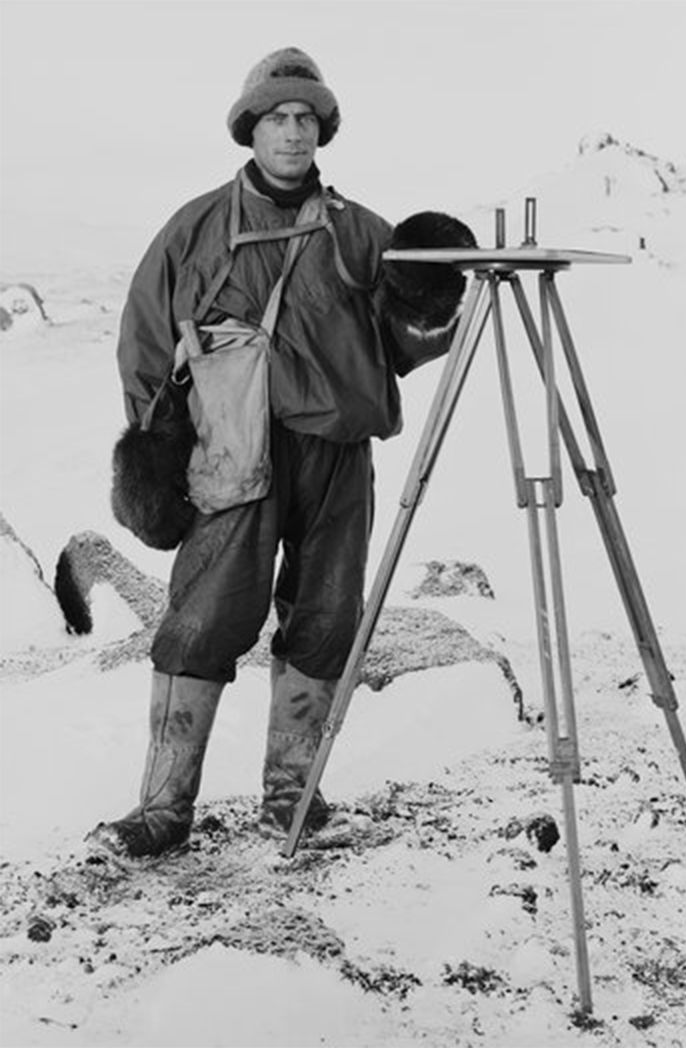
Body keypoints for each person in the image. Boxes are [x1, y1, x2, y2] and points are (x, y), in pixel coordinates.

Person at [88, 47, 476, 859]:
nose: (294, 133)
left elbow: (402, 344)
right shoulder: (194, 230)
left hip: (336, 452)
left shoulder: (363, 233)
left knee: (326, 618)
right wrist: (156, 448)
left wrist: (430, 301)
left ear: (321, 129)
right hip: (235, 455)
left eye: (307, 119)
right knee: (203, 619)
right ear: (250, 129)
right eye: (278, 119)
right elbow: (146, 343)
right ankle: (162, 809)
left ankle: (292, 795)